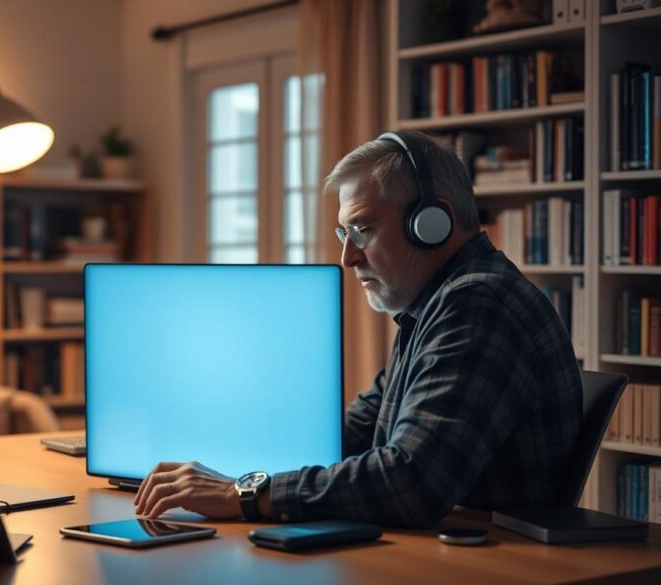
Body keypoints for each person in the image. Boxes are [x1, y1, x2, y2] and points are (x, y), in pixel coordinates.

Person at [133, 130, 582, 528]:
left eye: (363, 229)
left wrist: (244, 494)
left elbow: (412, 481)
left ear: (432, 223)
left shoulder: (479, 303)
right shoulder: (431, 306)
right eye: (343, 234)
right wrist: (216, 461)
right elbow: (348, 436)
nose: (348, 256)